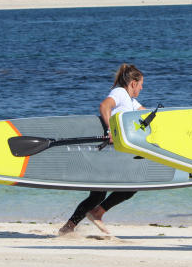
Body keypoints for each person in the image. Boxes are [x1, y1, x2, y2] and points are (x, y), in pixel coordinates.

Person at [58, 63, 146, 236]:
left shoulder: (131, 101)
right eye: (141, 84)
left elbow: (144, 112)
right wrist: (110, 130)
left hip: (113, 156)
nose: (142, 88)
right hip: (106, 154)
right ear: (133, 83)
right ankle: (93, 214)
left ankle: (70, 227)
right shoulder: (120, 93)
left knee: (99, 194)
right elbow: (105, 106)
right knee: (117, 189)